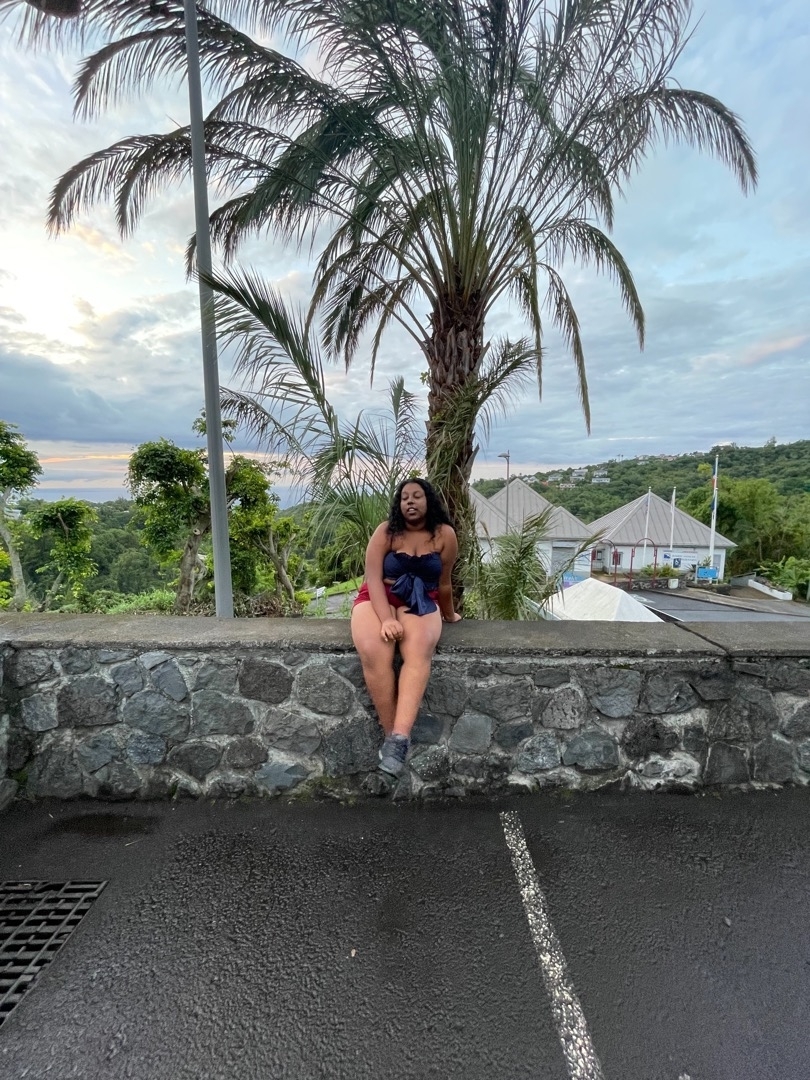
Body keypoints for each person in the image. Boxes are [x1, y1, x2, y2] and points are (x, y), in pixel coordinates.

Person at [351, 478, 462, 780]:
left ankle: (398, 739)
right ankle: (395, 741)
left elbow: (444, 583)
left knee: (420, 645)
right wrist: (386, 619)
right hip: (379, 595)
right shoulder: (386, 531)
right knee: (374, 648)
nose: (410, 501)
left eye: (417, 496)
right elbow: (373, 578)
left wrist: (449, 614)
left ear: (429, 500)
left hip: (421, 598)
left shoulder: (444, 534)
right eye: (404, 498)